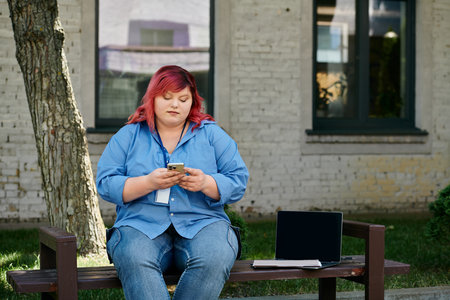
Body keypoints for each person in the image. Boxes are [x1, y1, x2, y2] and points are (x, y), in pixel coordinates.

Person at [96, 65, 249, 300]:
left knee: (215, 255)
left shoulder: (211, 134)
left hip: (203, 222)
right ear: (152, 98)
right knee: (135, 256)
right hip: (140, 226)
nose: (175, 104)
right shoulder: (129, 135)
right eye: (167, 97)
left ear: (193, 102)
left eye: (183, 98)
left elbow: (238, 179)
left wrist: (206, 183)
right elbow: (105, 182)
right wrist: (148, 182)